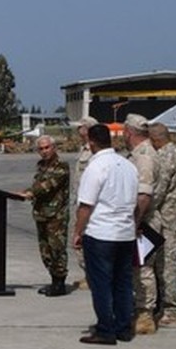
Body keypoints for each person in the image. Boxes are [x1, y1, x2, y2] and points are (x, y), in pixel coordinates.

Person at [71, 123, 139, 345]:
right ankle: (123, 327)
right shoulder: (128, 165)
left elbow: (86, 205)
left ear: (91, 142)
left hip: (102, 232)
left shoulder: (96, 166)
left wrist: (78, 231)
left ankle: (105, 329)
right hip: (125, 232)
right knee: (123, 283)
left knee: (101, 284)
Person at [124, 113, 163, 335]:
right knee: (136, 268)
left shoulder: (145, 157)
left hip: (143, 220)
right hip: (138, 218)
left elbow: (144, 195)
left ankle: (145, 313)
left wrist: (134, 221)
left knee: (143, 269)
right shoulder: (137, 154)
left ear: (129, 132)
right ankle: (139, 310)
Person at [148, 122, 176, 326]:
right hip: (170, 218)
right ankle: (163, 305)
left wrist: (142, 208)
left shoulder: (166, 156)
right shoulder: (175, 153)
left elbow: (158, 191)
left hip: (167, 219)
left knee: (167, 266)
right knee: (162, 265)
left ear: (155, 139)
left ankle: (171, 309)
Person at [19, 135, 70, 296]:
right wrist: (25, 192)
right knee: (45, 250)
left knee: (57, 249)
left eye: (47, 147)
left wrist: (29, 193)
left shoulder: (61, 167)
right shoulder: (41, 167)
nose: (44, 151)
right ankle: (53, 280)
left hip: (56, 216)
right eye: (41, 149)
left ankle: (60, 283)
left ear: (54, 148)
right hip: (41, 213)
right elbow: (37, 185)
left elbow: (47, 186)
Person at [69, 116, 98, 288]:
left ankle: (92, 276)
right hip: (80, 200)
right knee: (80, 241)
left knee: (84, 239)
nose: (78, 131)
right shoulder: (84, 149)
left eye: (80, 127)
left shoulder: (94, 152)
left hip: (88, 204)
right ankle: (88, 274)